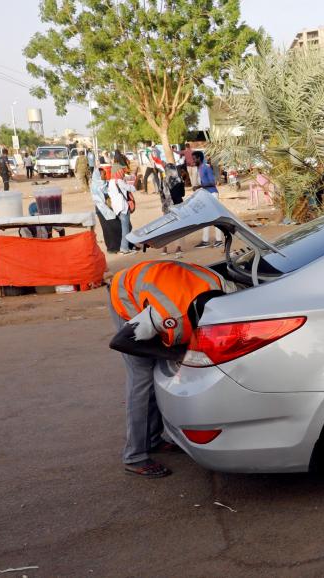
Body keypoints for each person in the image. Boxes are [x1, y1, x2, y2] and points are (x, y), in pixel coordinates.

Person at [109, 260, 231, 477]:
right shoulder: (170, 314)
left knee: (163, 369)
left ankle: (153, 439)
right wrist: (176, 354)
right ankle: (135, 456)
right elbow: (121, 342)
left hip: (160, 282)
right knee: (143, 379)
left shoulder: (225, 290)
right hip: (126, 290)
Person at [193, 150, 224, 248]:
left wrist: (199, 186)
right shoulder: (199, 168)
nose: (193, 161)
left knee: (215, 218)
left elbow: (212, 182)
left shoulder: (206, 167)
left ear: (199, 158)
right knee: (205, 218)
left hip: (212, 194)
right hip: (207, 195)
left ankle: (219, 240)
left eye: (194, 159)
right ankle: (205, 240)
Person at [160, 161, 184, 258]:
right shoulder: (178, 180)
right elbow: (182, 194)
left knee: (166, 227)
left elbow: (161, 194)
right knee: (178, 227)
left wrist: (164, 204)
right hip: (178, 206)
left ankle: (164, 248)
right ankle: (178, 247)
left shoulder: (163, 180)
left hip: (167, 207)